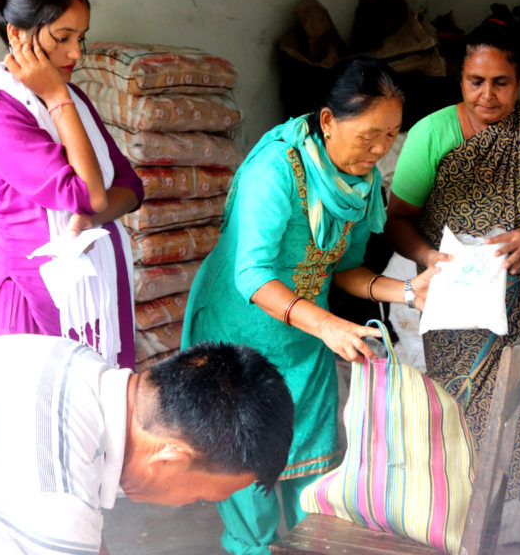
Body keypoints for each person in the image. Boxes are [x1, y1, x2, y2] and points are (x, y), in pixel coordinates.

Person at [181, 56, 439, 554]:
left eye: (391, 135)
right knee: (246, 465)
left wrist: (409, 291)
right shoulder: (276, 171)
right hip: (240, 335)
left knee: (311, 467)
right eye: (369, 135)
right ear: (328, 120)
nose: (380, 149)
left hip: (305, 335)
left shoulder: (362, 183)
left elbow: (345, 268)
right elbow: (252, 274)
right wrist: (327, 326)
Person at [385, 18, 520, 501]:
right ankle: (464, 515)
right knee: (465, 426)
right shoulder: (432, 133)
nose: (487, 95)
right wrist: (428, 257)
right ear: (460, 80)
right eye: (475, 81)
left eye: (501, 82)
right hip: (459, 310)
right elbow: (397, 221)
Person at [0, 333, 294, 555]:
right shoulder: (58, 498)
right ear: (170, 459)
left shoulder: (73, 359)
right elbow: (65, 518)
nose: (192, 503)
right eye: (201, 496)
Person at [0, 0, 144, 368]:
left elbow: (130, 187)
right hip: (24, 309)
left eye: (81, 38)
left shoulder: (73, 101)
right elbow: (91, 193)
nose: (75, 53)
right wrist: (58, 97)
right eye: (62, 38)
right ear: (16, 35)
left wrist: (88, 218)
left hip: (91, 299)